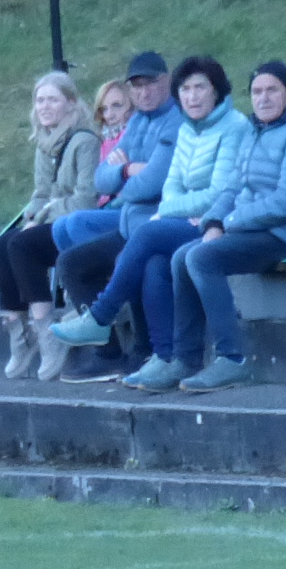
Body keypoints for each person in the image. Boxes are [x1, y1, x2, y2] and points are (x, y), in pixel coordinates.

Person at [45, 55, 249, 390]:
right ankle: (166, 356)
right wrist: (128, 172)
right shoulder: (186, 128)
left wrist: (162, 205)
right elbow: (115, 181)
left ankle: (101, 316)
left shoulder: (233, 127)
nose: (193, 96)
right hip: (174, 218)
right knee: (152, 263)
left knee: (147, 235)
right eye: (187, 89)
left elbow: (209, 191)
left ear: (216, 91)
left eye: (200, 88)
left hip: (214, 221)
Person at [161, 61, 286, 394]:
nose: (263, 98)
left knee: (202, 258)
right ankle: (185, 359)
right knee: (182, 256)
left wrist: (229, 223)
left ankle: (232, 359)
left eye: (272, 90)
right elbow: (231, 188)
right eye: (256, 92)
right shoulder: (256, 129)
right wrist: (214, 221)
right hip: (257, 228)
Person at [51, 52, 182, 383]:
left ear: (166, 81)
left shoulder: (175, 121)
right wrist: (126, 170)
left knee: (134, 258)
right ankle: (107, 353)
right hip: (130, 224)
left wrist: (124, 177)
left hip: (156, 224)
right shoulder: (138, 122)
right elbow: (102, 180)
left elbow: (154, 183)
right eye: (136, 86)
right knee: (71, 263)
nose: (143, 92)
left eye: (150, 83)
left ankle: (142, 350)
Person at [0, 70, 97, 379]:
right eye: (40, 100)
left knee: (22, 245)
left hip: (77, 223)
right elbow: (41, 194)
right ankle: (19, 332)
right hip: (53, 218)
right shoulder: (43, 143)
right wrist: (31, 217)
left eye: (53, 100)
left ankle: (47, 330)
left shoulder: (84, 142)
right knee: (1, 245)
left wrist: (42, 217)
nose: (45, 107)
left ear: (71, 103)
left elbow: (85, 199)